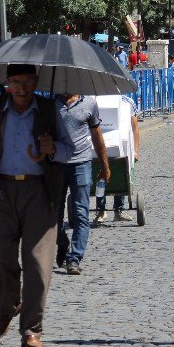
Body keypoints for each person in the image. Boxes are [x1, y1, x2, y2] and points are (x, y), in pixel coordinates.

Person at [0, 64, 73, 347]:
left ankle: (31, 329)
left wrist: (53, 149)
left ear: (36, 82)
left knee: (37, 264)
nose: (22, 88)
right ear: (7, 83)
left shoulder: (49, 111)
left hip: (39, 193)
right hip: (0, 191)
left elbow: (72, 151)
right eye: (15, 82)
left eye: (27, 82)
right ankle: (8, 306)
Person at [55, 93, 111, 275]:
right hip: (56, 164)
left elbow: (97, 135)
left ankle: (74, 258)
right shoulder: (50, 105)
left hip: (81, 163)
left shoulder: (89, 104)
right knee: (53, 213)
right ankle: (62, 242)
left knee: (81, 213)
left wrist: (105, 165)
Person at [95, 95, 140, 223]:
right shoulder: (96, 100)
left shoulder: (127, 102)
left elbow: (135, 127)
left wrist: (135, 151)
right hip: (100, 146)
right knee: (100, 176)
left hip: (121, 147)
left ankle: (119, 209)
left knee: (120, 175)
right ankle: (100, 210)